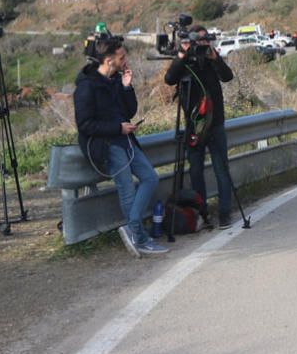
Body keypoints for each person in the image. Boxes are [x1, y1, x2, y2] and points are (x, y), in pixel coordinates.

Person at [73, 38, 168, 257]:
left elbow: (130, 110)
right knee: (127, 189)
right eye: (121, 57)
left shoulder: (116, 80)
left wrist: (127, 87)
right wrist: (117, 128)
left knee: (150, 177)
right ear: (109, 60)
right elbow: (85, 124)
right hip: (108, 144)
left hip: (125, 141)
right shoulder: (87, 86)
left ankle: (134, 230)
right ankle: (139, 236)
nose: (125, 60)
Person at [164, 25, 235, 228]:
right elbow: (169, 79)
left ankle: (224, 213)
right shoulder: (186, 62)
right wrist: (183, 57)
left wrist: (215, 58)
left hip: (216, 123)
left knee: (221, 169)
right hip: (194, 126)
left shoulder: (212, 59)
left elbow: (228, 77)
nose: (202, 44)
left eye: (205, 40)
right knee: (195, 172)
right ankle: (202, 213)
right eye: (198, 41)